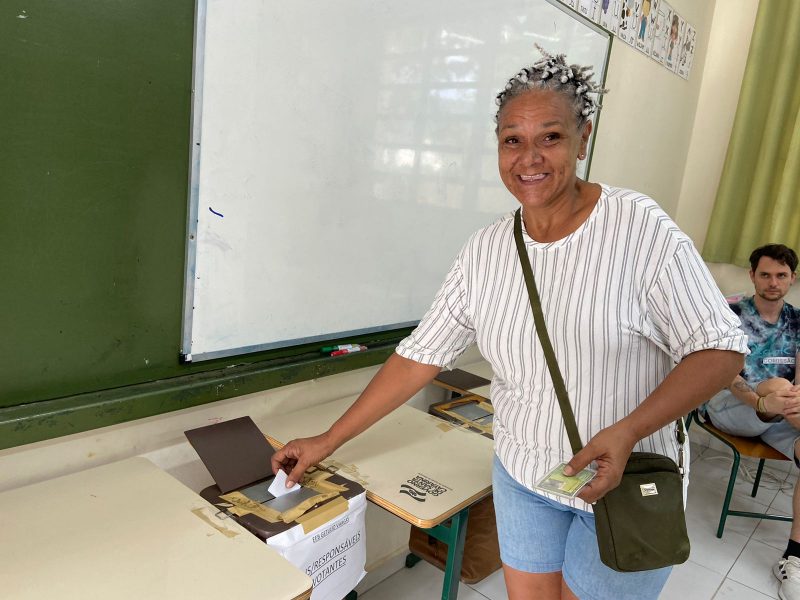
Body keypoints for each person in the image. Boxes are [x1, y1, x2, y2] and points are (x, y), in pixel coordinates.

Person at [272, 48, 746, 600]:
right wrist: (327, 441)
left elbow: (719, 348)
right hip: (525, 477)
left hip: (626, 478)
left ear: (583, 138)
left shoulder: (639, 230)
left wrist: (628, 429)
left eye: (551, 137)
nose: (529, 159)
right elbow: (419, 355)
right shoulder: (487, 250)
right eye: (512, 140)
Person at [704, 244, 800, 600]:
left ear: (792, 278)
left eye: (781, 275)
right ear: (752, 276)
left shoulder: (798, 319)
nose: (773, 282)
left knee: (788, 392)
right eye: (765, 274)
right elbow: (729, 378)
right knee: (778, 385)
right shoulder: (730, 314)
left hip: (783, 416)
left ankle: (795, 557)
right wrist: (763, 399)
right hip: (731, 407)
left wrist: (784, 402)